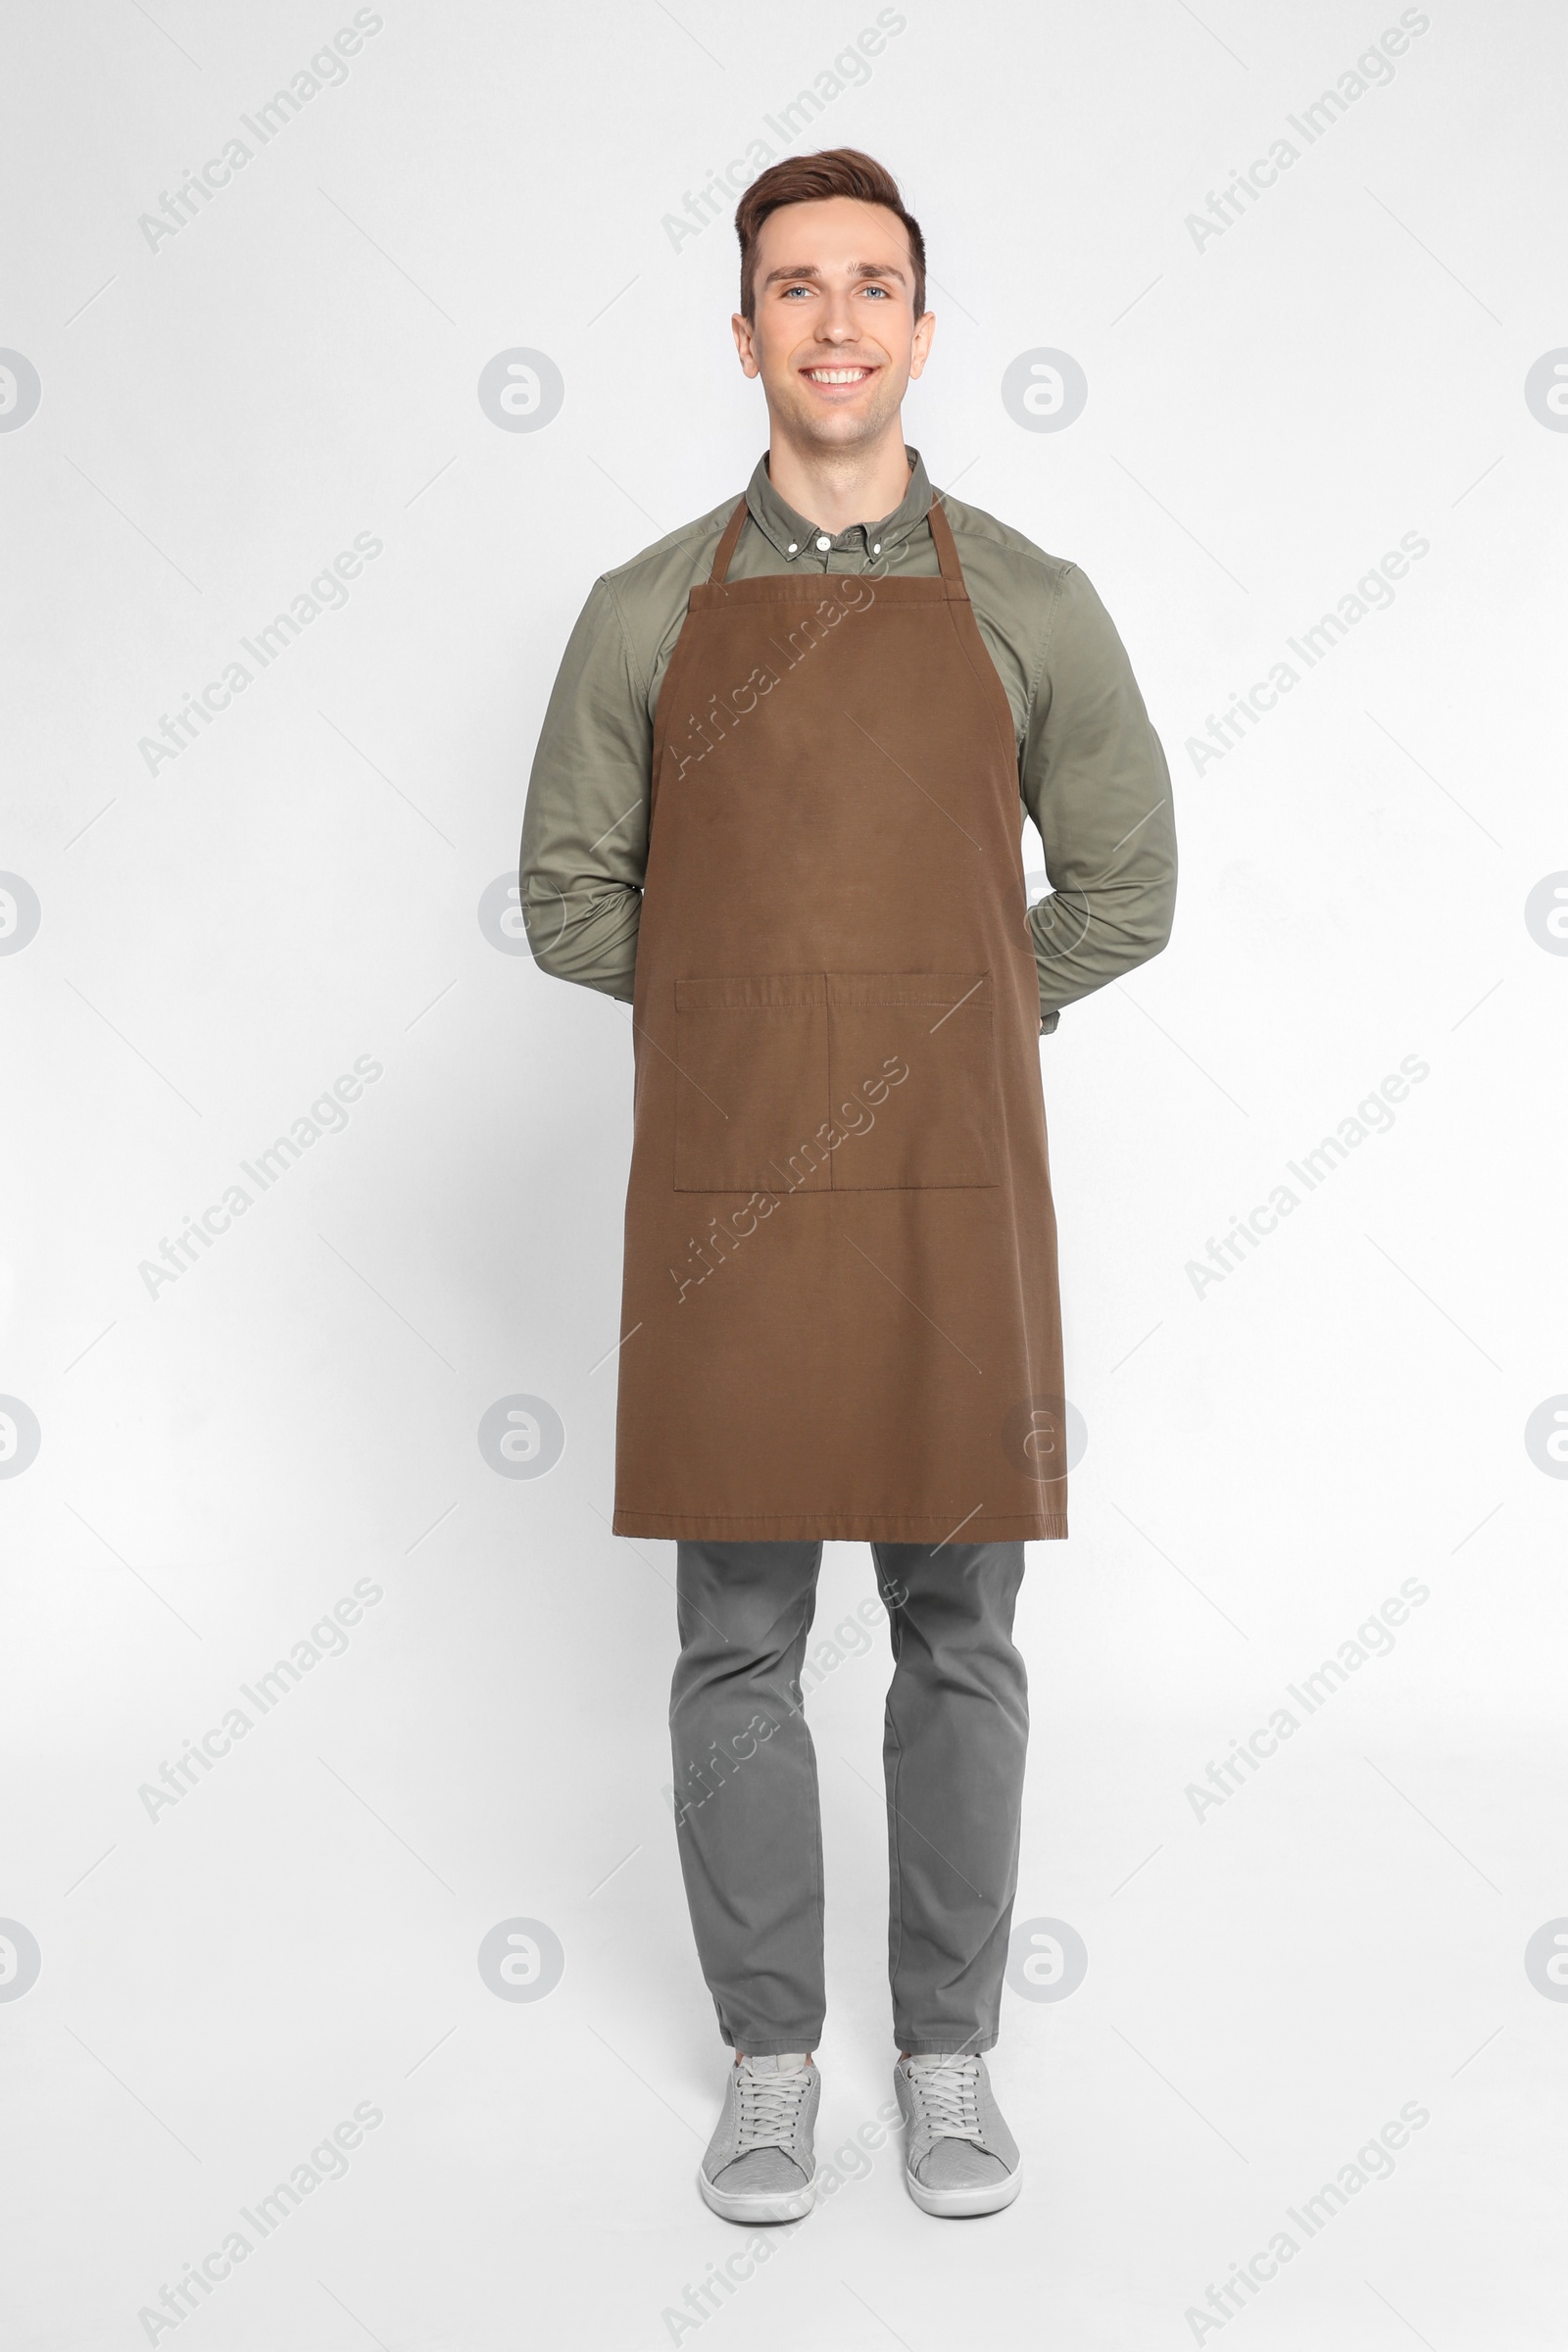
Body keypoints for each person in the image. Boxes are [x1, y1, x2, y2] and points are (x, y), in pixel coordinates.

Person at [519, 148, 1176, 2224]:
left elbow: (1126, 886)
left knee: (957, 1628)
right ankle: (773, 2058)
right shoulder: (643, 610)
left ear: (917, 325)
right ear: (740, 333)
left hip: (945, 1187)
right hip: (726, 1195)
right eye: (789, 288)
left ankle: (950, 2049)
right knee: (734, 1636)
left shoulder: (1032, 602)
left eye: (868, 286)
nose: (829, 321)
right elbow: (564, 898)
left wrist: (961, 1018)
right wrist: (745, 1018)